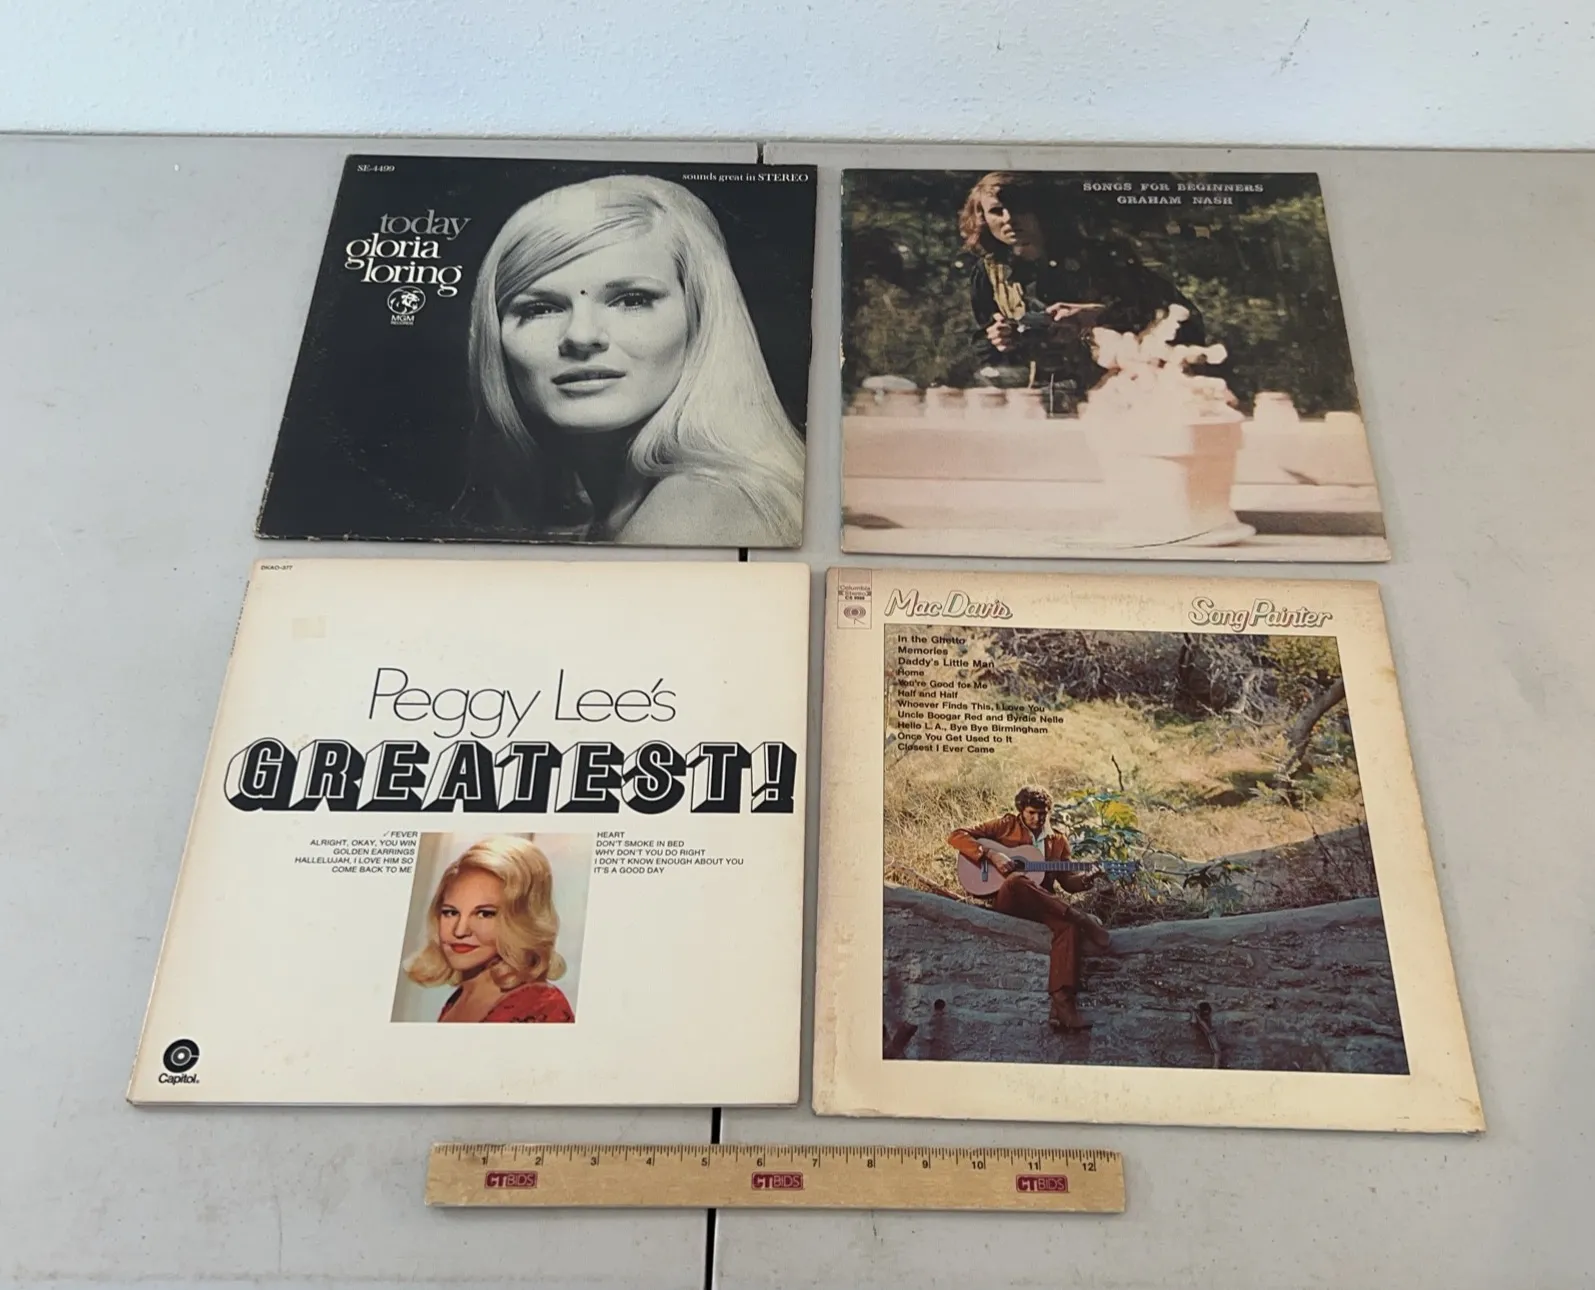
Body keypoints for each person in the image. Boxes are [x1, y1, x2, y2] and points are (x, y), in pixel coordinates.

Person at [460, 174, 805, 546]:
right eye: (541, 308)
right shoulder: (614, 506)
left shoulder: (703, 504)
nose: (581, 336)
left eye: (632, 300)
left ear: (700, 318)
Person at [959, 171, 1207, 412]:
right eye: (996, 211)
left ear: (1041, 209)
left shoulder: (1101, 257)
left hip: (1116, 396)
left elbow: (1180, 316)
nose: (1009, 219)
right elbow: (983, 348)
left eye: (1020, 208)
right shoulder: (989, 272)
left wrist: (1098, 315)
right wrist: (1001, 340)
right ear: (982, 218)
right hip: (1034, 402)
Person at [947, 785, 1111, 1031]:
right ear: (1021, 810)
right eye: (1032, 813)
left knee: (1067, 928)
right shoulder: (1005, 826)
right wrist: (992, 855)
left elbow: (1068, 882)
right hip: (1009, 900)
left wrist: (1088, 879)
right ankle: (1081, 917)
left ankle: (1063, 1005)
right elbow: (956, 835)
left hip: (1042, 904)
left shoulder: (1057, 840)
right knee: (1016, 880)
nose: (1037, 818)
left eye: (1042, 814)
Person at [404, 835, 575, 1023]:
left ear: (521, 921)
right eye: (450, 912)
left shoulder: (543, 1007)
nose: (460, 931)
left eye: (484, 914)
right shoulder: (459, 998)